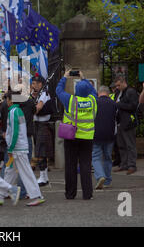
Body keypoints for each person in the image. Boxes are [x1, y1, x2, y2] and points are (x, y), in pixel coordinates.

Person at [0, 91, 45, 207]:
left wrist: (11, 147)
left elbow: (14, 132)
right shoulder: (17, 111)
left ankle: (37, 196)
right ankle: (1, 195)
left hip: (17, 148)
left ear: (11, 100)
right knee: (10, 171)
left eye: (7, 99)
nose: (6, 102)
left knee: (24, 172)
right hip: (19, 147)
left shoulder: (13, 112)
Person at [56, 70, 97, 200]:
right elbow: (93, 91)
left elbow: (58, 90)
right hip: (87, 138)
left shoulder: (70, 100)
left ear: (76, 89)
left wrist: (64, 77)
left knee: (70, 165)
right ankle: (87, 194)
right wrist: (84, 78)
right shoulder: (93, 100)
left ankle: (70, 193)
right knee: (85, 165)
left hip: (72, 137)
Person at [113, 75, 139, 175]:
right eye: (116, 86)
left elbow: (133, 106)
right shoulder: (119, 92)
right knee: (121, 144)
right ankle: (124, 164)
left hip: (128, 122)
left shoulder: (130, 92)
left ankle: (132, 165)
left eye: (119, 85)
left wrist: (118, 104)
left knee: (130, 145)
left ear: (124, 82)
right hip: (120, 122)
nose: (117, 87)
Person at [92, 86, 117, 189]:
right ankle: (107, 181)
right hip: (110, 134)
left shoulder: (95, 103)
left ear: (99, 93)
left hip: (96, 134)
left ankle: (100, 176)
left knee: (96, 157)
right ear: (108, 93)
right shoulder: (114, 104)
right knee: (107, 158)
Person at [32, 75, 54, 187]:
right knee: (40, 150)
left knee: (41, 150)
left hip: (43, 125)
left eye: (34, 83)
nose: (33, 85)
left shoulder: (44, 94)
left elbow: (38, 108)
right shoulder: (37, 94)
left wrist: (29, 111)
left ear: (40, 84)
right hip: (37, 125)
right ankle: (44, 177)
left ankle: (42, 176)